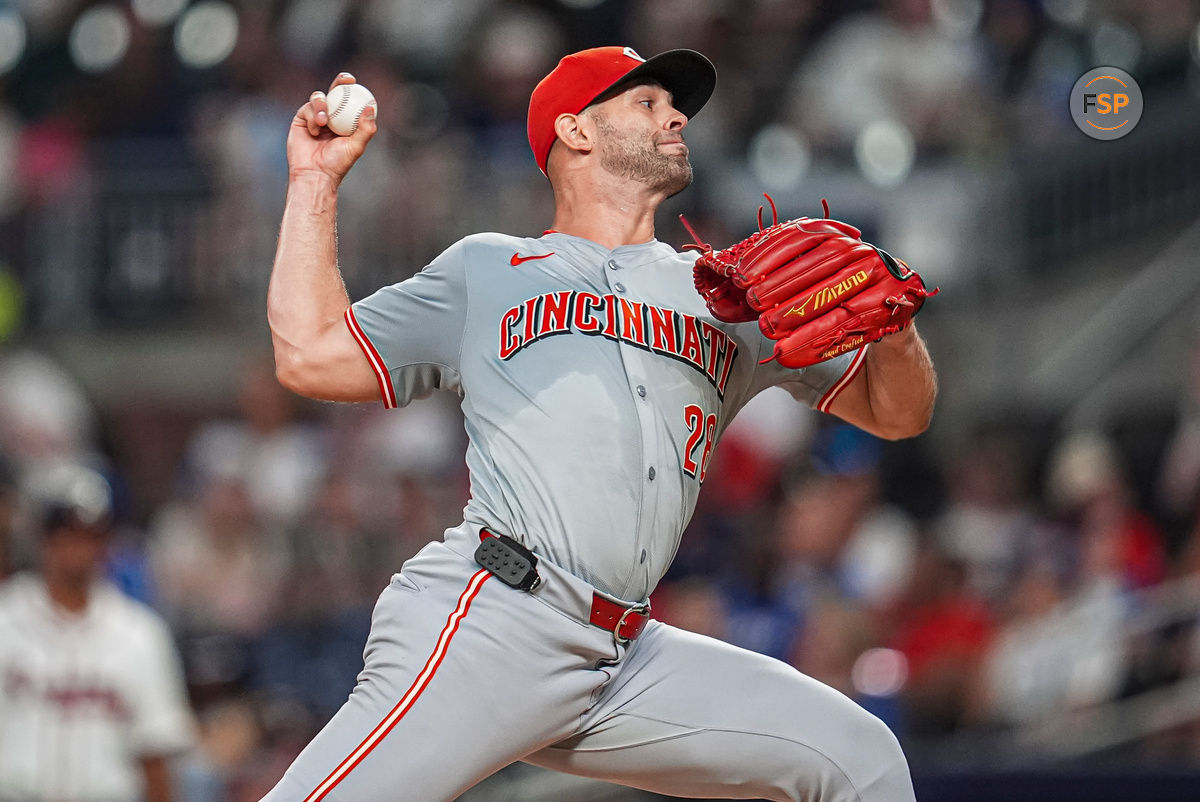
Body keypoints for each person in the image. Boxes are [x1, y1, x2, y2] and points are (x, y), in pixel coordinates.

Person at [263, 46, 936, 801]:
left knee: (859, 757)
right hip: (497, 622)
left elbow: (898, 414)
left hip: (626, 653)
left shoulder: (724, 295)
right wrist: (314, 180)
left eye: (673, 106)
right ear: (575, 131)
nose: (676, 116)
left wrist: (893, 323)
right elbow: (310, 355)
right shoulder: (489, 269)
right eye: (647, 104)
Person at [0, 464, 194, 801]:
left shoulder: (140, 633)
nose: (79, 546)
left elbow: (155, 758)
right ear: (44, 536)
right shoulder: (5, 619)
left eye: (91, 534)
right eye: (67, 532)